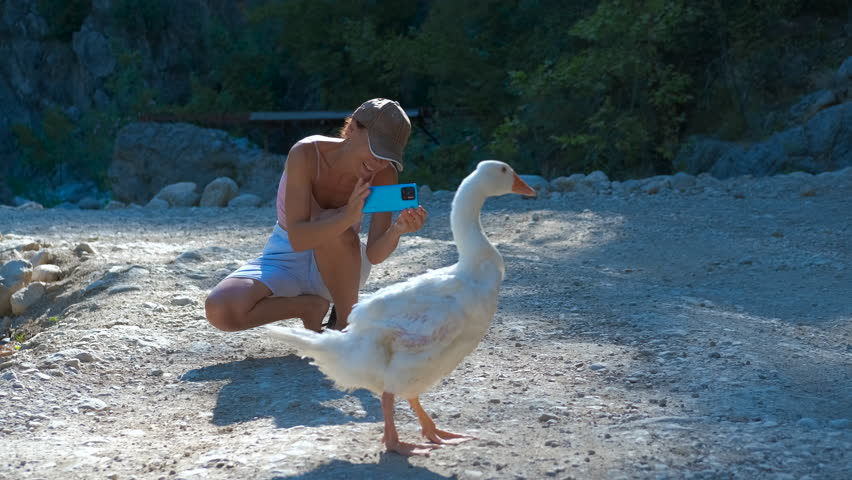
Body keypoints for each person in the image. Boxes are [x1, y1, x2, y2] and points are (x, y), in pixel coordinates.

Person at [205, 98, 427, 332]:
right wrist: (346, 216)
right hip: (287, 255)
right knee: (221, 309)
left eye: (387, 155)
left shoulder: (384, 174)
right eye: (375, 149)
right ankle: (308, 307)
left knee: (336, 231)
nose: (379, 161)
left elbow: (374, 254)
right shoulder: (307, 153)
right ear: (352, 128)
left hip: (342, 267)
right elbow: (299, 239)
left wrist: (397, 229)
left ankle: (344, 323)